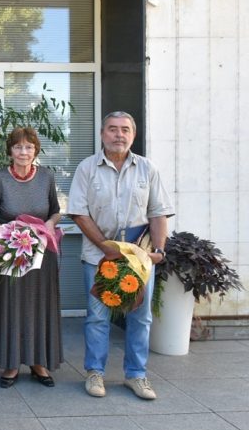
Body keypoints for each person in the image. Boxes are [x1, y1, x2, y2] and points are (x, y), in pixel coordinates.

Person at [67, 111, 174, 400]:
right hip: (98, 257)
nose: (119, 134)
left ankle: (136, 376)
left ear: (133, 135)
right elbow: (78, 212)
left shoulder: (147, 169)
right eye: (112, 129)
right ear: (102, 134)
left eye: (125, 129)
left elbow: (158, 212)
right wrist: (106, 247)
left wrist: (159, 249)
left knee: (140, 317)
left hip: (139, 259)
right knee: (97, 318)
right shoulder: (86, 168)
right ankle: (95, 373)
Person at [0, 127, 63, 388]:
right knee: (11, 306)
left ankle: (38, 362)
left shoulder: (46, 177)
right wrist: (4, 231)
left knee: (40, 306)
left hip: (42, 251)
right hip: (11, 251)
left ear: (35, 151)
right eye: (18, 147)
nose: (23, 152)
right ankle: (10, 363)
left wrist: (51, 224)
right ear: (10, 150)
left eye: (28, 147)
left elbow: (55, 211)